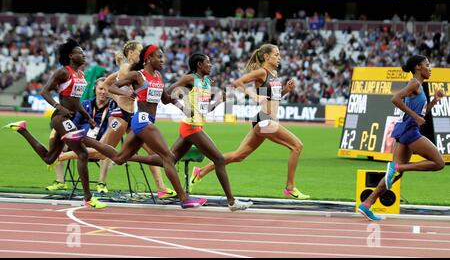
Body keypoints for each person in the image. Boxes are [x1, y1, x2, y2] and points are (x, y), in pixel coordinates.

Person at [67, 45, 207, 209]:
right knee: (168, 157)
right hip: (142, 120)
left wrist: (183, 107)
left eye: (163, 57)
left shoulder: (157, 76)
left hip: (145, 122)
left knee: (119, 159)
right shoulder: (137, 75)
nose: (163, 60)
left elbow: (165, 99)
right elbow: (111, 86)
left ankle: (83, 139)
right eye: (159, 57)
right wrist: (126, 93)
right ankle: (184, 198)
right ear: (148, 58)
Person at [134, 53, 253, 211]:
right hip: (191, 127)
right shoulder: (189, 79)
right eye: (208, 62)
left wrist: (219, 101)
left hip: (195, 126)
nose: (211, 65)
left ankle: (130, 156)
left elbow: (205, 110)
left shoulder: (206, 82)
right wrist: (182, 105)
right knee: (219, 159)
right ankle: (231, 201)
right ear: (199, 64)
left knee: (169, 159)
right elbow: (167, 93)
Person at [189, 44, 310, 200]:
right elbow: (237, 83)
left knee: (238, 156)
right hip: (265, 121)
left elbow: (274, 98)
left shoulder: (273, 74)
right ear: (267, 57)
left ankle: (200, 172)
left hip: (264, 120)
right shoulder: (262, 72)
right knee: (297, 146)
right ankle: (290, 187)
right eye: (276, 54)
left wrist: (286, 90)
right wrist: (253, 95)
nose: (279, 57)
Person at [58, 41, 176, 197]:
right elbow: (111, 86)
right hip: (120, 114)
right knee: (103, 152)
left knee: (151, 150)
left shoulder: (135, 70)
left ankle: (161, 188)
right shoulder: (126, 68)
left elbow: (107, 82)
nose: (141, 55)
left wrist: (115, 94)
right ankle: (62, 156)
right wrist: (121, 96)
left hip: (132, 115)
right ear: (131, 53)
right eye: (139, 51)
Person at [3, 38, 106, 209]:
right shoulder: (63, 72)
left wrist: (87, 116)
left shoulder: (80, 74)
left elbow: (76, 101)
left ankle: (22, 129)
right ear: (71, 56)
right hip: (60, 119)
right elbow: (44, 91)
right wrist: (59, 107)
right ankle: (88, 197)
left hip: (69, 119)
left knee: (49, 158)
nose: (84, 54)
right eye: (80, 52)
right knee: (82, 153)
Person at [358, 55, 445, 221]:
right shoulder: (414, 83)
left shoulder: (418, 86)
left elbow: (421, 114)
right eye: (427, 65)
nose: (430, 68)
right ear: (418, 67)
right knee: (439, 163)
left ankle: (367, 204)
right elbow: (395, 99)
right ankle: (399, 167)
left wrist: (434, 100)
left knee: (393, 175)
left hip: (405, 129)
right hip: (409, 131)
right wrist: (415, 117)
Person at [46, 77, 114, 193]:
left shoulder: (114, 107)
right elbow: (73, 124)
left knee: (107, 147)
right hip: (80, 143)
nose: (103, 92)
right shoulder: (85, 104)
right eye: (100, 88)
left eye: (106, 89)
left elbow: (112, 129)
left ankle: (101, 184)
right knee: (57, 141)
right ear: (95, 89)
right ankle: (60, 181)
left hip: (99, 145)